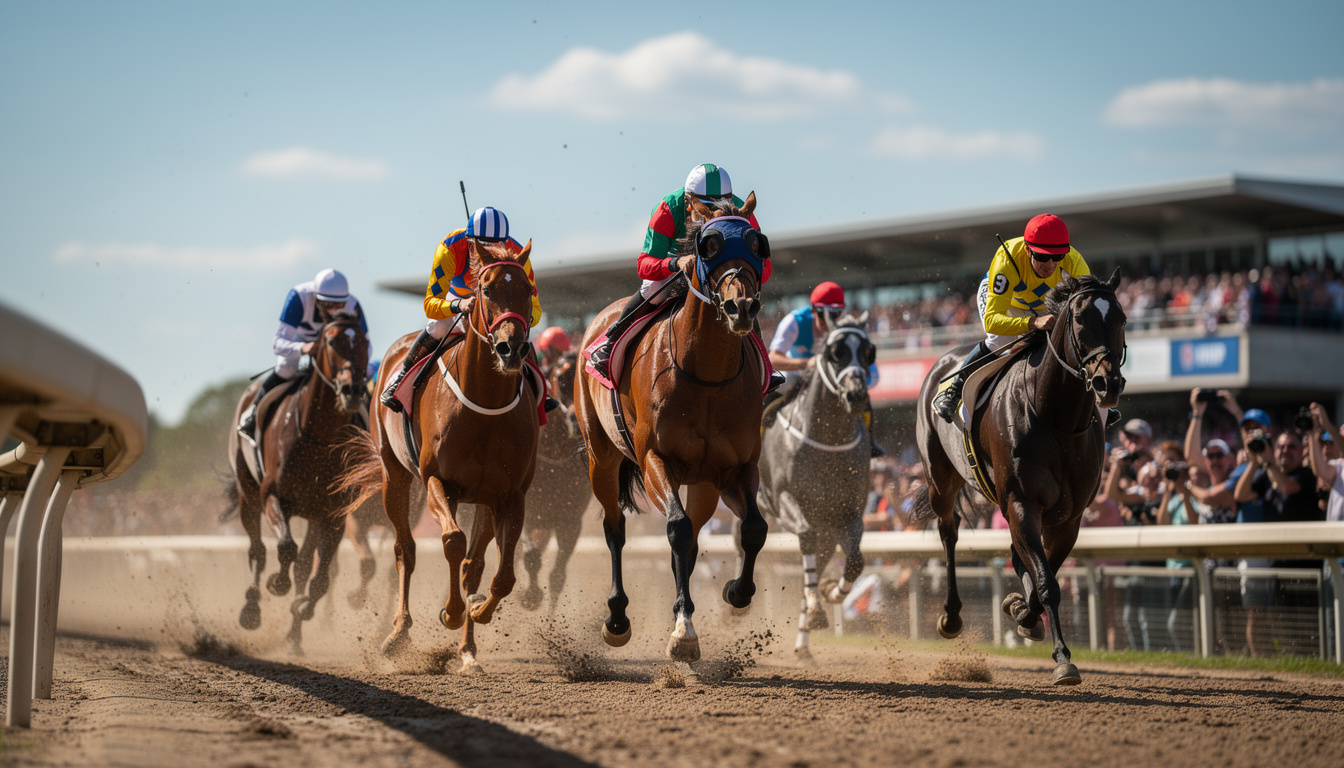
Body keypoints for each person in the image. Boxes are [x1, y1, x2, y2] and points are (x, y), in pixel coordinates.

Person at [932, 213, 1119, 429]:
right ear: (1028, 250)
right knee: (999, 340)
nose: (1050, 265)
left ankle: (1091, 399)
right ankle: (954, 390)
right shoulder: (1006, 259)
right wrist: (1032, 324)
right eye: (1042, 257)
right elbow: (993, 321)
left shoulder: (1075, 262)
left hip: (1045, 304)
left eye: (1057, 257)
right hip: (1008, 301)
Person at [587, 163, 768, 382]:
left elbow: (765, 267)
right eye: (706, 207)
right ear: (688, 201)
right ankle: (611, 343)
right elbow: (644, 264)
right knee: (651, 288)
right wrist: (675, 263)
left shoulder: (741, 211)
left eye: (720, 205)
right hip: (674, 269)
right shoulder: (667, 208)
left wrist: (740, 279)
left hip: (718, 276)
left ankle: (765, 366)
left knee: (744, 299)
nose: (712, 214)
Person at [379, 206, 553, 413]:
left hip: (498, 306)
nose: (490, 253)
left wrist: (519, 320)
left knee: (519, 334)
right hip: (457, 297)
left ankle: (542, 391)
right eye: (483, 246)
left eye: (496, 245)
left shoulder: (517, 254)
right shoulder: (449, 248)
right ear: (471, 242)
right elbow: (430, 304)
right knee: (438, 327)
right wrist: (458, 305)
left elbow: (535, 309)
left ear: (505, 242)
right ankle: (401, 380)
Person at [238, 268, 368, 438]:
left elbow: (365, 342)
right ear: (315, 298)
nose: (333, 310)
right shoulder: (298, 297)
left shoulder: (353, 304)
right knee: (286, 367)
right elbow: (277, 343)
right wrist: (302, 348)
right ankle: (254, 413)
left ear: (346, 300)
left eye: (340, 305)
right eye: (328, 305)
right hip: (299, 343)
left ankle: (370, 426)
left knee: (360, 377)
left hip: (335, 349)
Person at [766, 281, 884, 456]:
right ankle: (760, 430)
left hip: (830, 379)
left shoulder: (849, 328)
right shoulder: (795, 321)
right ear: (813, 310)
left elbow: (873, 376)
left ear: (841, 312)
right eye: (822, 314)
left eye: (835, 314)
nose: (829, 320)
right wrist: (806, 363)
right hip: (797, 374)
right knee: (779, 382)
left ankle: (869, 439)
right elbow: (772, 359)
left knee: (860, 389)